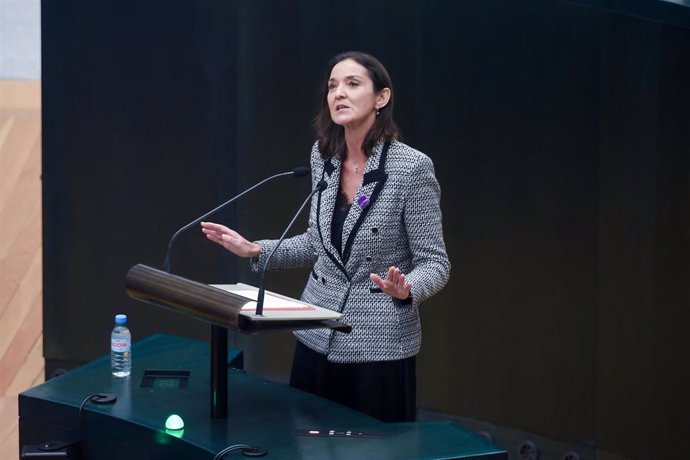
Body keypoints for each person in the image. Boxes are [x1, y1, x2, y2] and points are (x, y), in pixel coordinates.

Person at [201, 51, 450, 422]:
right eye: (333, 86)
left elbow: (436, 263)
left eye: (352, 84)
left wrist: (407, 289)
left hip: (378, 343)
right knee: (307, 442)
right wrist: (255, 249)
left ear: (381, 98)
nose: (339, 94)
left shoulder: (411, 168)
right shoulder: (324, 157)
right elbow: (317, 244)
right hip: (316, 332)